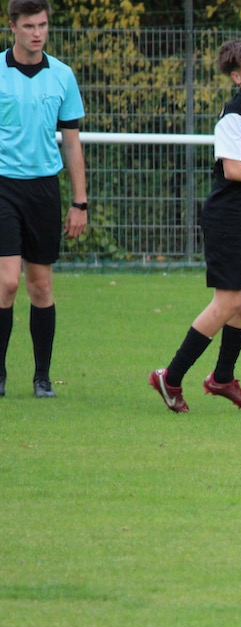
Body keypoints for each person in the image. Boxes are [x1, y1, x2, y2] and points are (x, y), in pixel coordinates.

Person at [149, 38, 241, 412]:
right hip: (225, 219)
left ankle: (222, 378)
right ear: (236, 77)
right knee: (228, 301)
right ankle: (170, 378)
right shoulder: (234, 115)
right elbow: (232, 168)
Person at [0, 0, 88, 399]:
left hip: (43, 191)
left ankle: (42, 378)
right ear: (13, 27)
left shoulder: (62, 76)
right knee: (6, 283)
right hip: (3, 187)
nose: (37, 33)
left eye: (42, 25)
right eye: (29, 26)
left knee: (40, 286)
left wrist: (79, 202)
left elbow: (71, 143)